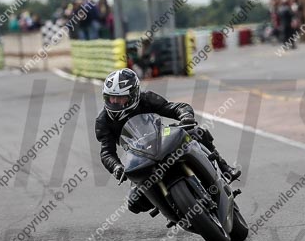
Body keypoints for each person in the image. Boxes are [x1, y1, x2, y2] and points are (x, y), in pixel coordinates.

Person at [95, 68, 241, 214]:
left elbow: (175, 107)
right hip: (137, 156)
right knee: (134, 203)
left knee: (197, 132)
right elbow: (106, 152)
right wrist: (116, 167)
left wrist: (185, 116)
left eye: (120, 98)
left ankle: (224, 166)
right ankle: (169, 206)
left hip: (161, 140)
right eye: (110, 98)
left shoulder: (146, 99)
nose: (114, 102)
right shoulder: (103, 121)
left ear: (134, 95)